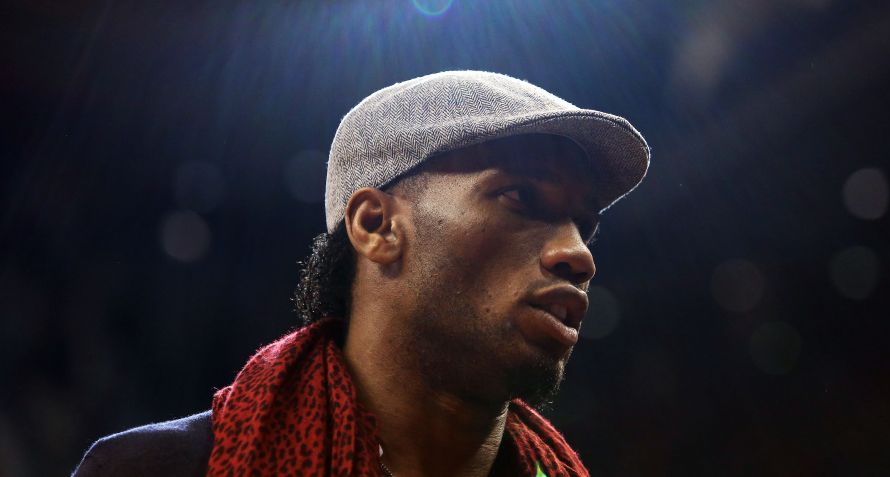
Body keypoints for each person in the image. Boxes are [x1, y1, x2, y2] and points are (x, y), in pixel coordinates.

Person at [72, 70, 649, 477]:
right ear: (376, 225)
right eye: (521, 197)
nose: (579, 255)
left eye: (583, 225)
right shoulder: (158, 469)